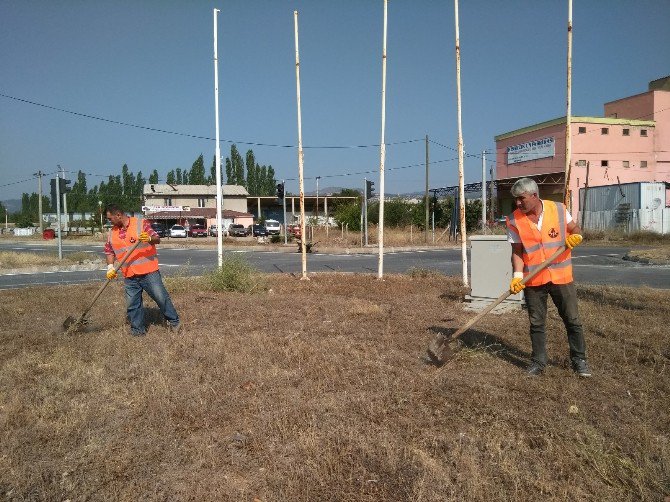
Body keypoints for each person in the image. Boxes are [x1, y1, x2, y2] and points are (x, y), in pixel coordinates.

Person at [506, 178, 590, 377]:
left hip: (561, 276)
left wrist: (576, 236)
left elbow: (575, 229)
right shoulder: (514, 219)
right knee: (536, 323)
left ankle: (580, 360)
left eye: (521, 199)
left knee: (572, 319)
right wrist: (517, 276)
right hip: (533, 280)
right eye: (516, 200)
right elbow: (517, 251)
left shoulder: (559, 209)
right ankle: (538, 362)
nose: (518, 203)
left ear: (534, 196)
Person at [104, 204, 181, 336]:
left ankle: (175, 323)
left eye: (110, 218)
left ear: (118, 215)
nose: (109, 221)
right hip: (129, 274)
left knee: (161, 298)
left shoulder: (141, 224)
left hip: (148, 272)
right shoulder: (112, 233)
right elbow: (109, 251)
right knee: (132, 304)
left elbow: (157, 239)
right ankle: (138, 331)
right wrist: (110, 267)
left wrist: (150, 239)